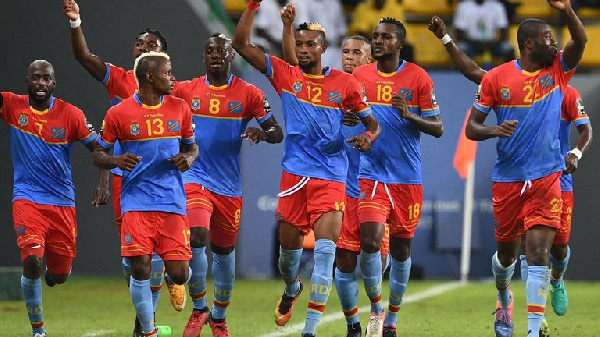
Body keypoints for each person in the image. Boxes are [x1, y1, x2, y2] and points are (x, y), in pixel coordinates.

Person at [429, 14, 593, 336]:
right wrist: (495, 130)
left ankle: (534, 328)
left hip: (549, 177)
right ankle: (505, 297)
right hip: (508, 180)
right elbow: (472, 127)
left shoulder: (559, 75)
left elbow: (581, 41)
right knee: (507, 256)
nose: (554, 43)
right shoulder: (497, 78)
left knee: (541, 253)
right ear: (529, 43)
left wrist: (567, 10)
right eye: (548, 37)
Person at [233, 1, 381, 336]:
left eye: (309, 44)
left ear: (323, 49)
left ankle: (309, 330)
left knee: (327, 253)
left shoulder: (345, 84)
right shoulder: (287, 78)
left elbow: (372, 123)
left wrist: (368, 136)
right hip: (294, 176)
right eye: (298, 44)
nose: (302, 49)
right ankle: (291, 288)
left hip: (331, 176)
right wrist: (253, 6)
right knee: (289, 260)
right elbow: (241, 45)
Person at [62, 1, 186, 334]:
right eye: (139, 43)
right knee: (134, 261)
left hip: (164, 185)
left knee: (157, 260)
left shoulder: (171, 89)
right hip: (125, 180)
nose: (142, 48)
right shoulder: (120, 79)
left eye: (150, 46)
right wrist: (76, 23)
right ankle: (146, 321)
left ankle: (145, 324)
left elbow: (188, 137)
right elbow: (84, 58)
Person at [174, 33, 283, 337]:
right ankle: (199, 309)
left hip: (228, 185)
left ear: (232, 55)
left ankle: (219, 318)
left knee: (223, 253)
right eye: (210, 51)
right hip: (195, 177)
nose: (216, 55)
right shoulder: (185, 91)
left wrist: (264, 133)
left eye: (222, 50)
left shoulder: (249, 94)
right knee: (196, 235)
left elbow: (277, 132)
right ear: (203, 57)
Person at [93, 52, 198, 337]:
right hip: (136, 200)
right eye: (168, 72)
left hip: (171, 201)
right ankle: (148, 332)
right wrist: (115, 161)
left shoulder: (180, 108)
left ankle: (170, 279)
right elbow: (98, 154)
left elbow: (192, 146)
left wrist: (189, 158)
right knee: (140, 266)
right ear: (150, 76)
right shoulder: (119, 113)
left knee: (180, 274)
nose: (173, 78)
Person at [350, 17, 444, 337]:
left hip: (406, 178)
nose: (377, 42)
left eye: (385, 38)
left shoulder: (418, 78)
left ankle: (392, 317)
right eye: (375, 36)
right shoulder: (360, 76)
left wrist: (410, 115)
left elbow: (438, 128)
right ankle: (376, 309)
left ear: (399, 43)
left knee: (402, 250)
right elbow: (349, 112)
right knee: (370, 241)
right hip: (371, 174)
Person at [1, 60, 98, 337]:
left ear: (54, 83)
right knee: (31, 261)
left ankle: (51, 276)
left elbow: (98, 149)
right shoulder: (12, 105)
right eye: (35, 78)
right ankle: (38, 330)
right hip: (27, 198)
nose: (41, 83)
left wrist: (105, 179)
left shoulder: (71, 114)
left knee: (60, 275)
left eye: (46, 79)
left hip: (62, 203)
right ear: (27, 81)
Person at [453, 0, 514, 64]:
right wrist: (477, 43)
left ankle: (506, 71)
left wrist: (494, 43)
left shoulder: (497, 5)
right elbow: (459, 33)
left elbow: (504, 31)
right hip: (471, 44)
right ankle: (463, 71)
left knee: (508, 48)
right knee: (461, 48)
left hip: (492, 44)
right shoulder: (464, 6)